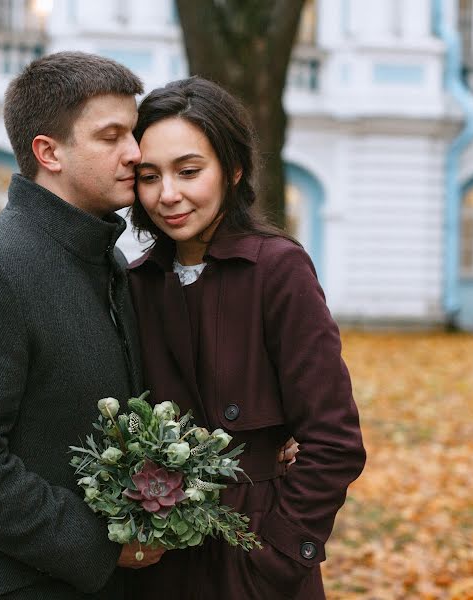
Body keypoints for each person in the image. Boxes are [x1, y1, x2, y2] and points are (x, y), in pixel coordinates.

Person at [0, 51, 165, 599]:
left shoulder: (108, 261)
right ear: (48, 151)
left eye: (135, 133)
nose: (136, 153)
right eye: (111, 136)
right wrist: (101, 544)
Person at [126, 77, 366, 599]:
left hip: (256, 560)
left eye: (189, 171)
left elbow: (334, 440)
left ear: (232, 169)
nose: (168, 195)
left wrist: (279, 556)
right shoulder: (136, 283)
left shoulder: (277, 269)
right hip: (158, 563)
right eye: (149, 176)